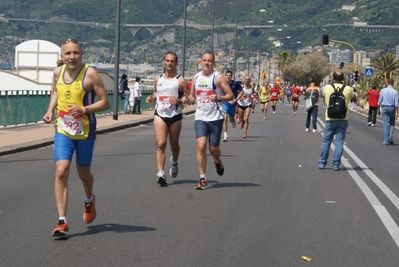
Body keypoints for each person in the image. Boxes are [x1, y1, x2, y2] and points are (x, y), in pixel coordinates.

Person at [42, 39, 110, 237]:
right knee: (61, 170)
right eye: (68, 53)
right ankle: (62, 221)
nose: (72, 57)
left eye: (76, 53)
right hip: (63, 129)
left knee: (83, 173)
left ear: (81, 54)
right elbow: (55, 92)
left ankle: (89, 200)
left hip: (85, 130)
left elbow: (105, 102)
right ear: (61, 57)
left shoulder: (90, 74)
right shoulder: (57, 73)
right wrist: (49, 110)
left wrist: (84, 109)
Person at [187, 51, 233, 190]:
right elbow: (192, 97)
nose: (207, 63)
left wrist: (219, 98)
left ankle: (217, 160)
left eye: (210, 60)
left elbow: (230, 95)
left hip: (215, 117)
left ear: (213, 63)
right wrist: (187, 99)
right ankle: (202, 178)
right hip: (200, 117)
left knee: (213, 149)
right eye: (204, 60)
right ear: (201, 61)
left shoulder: (218, 77)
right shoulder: (196, 77)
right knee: (201, 146)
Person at [145, 52, 191, 186]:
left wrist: (178, 101)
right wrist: (151, 98)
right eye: (167, 61)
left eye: (172, 61)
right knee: (160, 144)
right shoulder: (157, 79)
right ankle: (160, 173)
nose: (169, 63)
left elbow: (189, 98)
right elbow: (156, 92)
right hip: (160, 114)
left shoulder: (180, 80)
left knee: (174, 145)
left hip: (175, 115)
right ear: (163, 62)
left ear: (176, 63)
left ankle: (174, 161)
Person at [318, 71, 354, 171]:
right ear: (343, 79)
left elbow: (323, 96)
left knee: (326, 141)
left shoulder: (327, 88)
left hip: (330, 118)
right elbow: (353, 97)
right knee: (339, 142)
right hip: (343, 118)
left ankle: (322, 162)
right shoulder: (348, 89)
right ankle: (336, 164)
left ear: (333, 78)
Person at [222, 70, 243, 142]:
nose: (228, 77)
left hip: (233, 103)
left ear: (231, 76)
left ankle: (233, 122)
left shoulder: (235, 83)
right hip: (225, 103)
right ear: (225, 76)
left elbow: (242, 91)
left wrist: (236, 99)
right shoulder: (222, 83)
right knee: (224, 118)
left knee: (231, 119)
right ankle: (225, 135)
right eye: (227, 75)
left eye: (229, 75)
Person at [378, 79, 399, 145]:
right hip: (392, 108)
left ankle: (385, 140)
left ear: (387, 83)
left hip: (384, 107)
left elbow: (379, 102)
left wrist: (378, 110)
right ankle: (390, 137)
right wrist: (397, 113)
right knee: (392, 123)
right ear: (393, 83)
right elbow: (397, 104)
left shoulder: (382, 91)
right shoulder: (395, 92)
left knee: (385, 123)